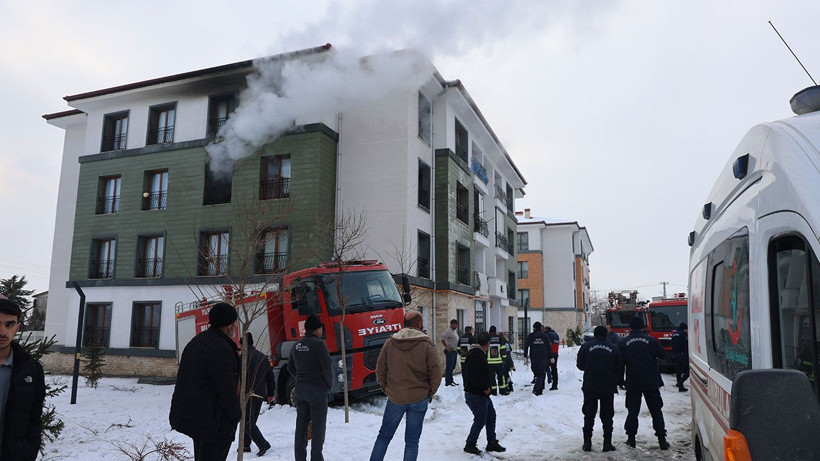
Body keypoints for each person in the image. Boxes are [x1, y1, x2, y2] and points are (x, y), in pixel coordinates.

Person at [170, 302, 241, 461]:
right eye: (235, 322)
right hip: (213, 423)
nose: (236, 325)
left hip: (199, 419)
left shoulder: (198, 341)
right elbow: (226, 389)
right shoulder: (220, 348)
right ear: (229, 325)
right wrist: (235, 415)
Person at [370, 311, 442, 461]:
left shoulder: (391, 342)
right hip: (419, 398)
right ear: (419, 324)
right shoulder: (427, 344)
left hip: (395, 397)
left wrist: (387, 389)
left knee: (383, 436)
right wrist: (429, 393)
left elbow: (380, 368)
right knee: (412, 441)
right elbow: (436, 372)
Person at [0, 298, 45, 461]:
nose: (3, 332)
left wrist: (27, 452)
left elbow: (34, 418)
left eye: (9, 325)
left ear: (17, 327)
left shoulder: (31, 370)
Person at [619, 316, 669, 450]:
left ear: (630, 327)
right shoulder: (652, 340)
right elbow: (663, 355)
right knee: (656, 411)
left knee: (632, 411)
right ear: (643, 326)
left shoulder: (624, 342)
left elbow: (620, 363)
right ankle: (662, 440)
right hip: (651, 381)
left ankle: (631, 439)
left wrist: (620, 380)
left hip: (633, 381)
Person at [288, 314, 332, 461]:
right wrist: (327, 386)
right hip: (316, 390)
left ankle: (300, 458)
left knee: (301, 427)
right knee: (318, 428)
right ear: (317, 330)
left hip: (300, 390)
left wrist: (300, 380)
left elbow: (290, 368)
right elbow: (327, 368)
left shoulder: (297, 345)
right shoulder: (319, 344)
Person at [577, 326, 624, 452]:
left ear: (594, 334)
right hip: (607, 386)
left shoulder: (585, 347)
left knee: (589, 415)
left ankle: (587, 443)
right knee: (607, 416)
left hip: (590, 385)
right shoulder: (614, 348)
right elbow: (620, 367)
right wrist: (618, 380)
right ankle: (607, 443)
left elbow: (580, 365)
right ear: (606, 334)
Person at [462, 332, 506, 455]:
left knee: (491, 416)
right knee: (480, 419)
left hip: (481, 394)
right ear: (487, 344)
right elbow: (475, 375)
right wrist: (485, 387)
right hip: (475, 394)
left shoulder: (478, 353)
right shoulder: (476, 355)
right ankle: (470, 444)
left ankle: (491, 442)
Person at [239, 332, 275, 456]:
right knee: (251, 420)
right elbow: (270, 377)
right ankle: (245, 445)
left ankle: (263, 444)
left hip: (247, 394)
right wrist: (271, 393)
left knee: (247, 421)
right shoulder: (262, 357)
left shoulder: (242, 358)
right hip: (260, 394)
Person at [523, 322, 549, 395]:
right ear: (540, 327)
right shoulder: (545, 336)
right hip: (542, 357)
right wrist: (551, 356)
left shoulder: (531, 336)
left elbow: (526, 345)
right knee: (541, 373)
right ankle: (538, 388)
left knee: (536, 372)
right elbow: (549, 347)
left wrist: (525, 355)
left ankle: (538, 388)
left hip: (533, 357)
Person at [487, 326, 509, 395]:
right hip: (499, 362)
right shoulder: (500, 339)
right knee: (501, 376)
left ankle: (493, 392)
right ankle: (502, 390)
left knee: (491, 377)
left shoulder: (487, 338)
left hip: (489, 362)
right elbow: (503, 349)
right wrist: (504, 358)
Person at [440, 319, 460, 386]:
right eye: (455, 324)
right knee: (449, 366)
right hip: (450, 351)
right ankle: (448, 381)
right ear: (451, 324)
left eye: (457, 324)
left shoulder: (454, 331)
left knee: (452, 366)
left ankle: (451, 380)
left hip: (454, 351)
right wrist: (446, 346)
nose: (456, 326)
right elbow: (442, 338)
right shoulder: (449, 331)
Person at [671, 323, 689, 392]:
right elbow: (686, 344)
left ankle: (680, 386)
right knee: (688, 370)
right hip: (683, 354)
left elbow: (672, 344)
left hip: (676, 353)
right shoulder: (683, 334)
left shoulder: (674, 334)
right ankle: (680, 383)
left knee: (679, 369)